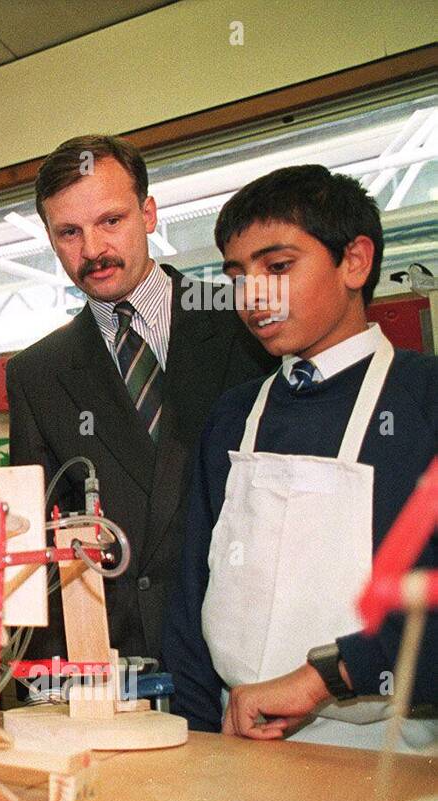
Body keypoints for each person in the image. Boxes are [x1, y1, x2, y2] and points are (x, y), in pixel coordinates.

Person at [163, 164, 437, 749]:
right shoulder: (235, 415)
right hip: (236, 738)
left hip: (390, 753)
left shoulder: (424, 400)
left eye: (278, 267)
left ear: (355, 262)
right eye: (237, 276)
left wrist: (325, 677)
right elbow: (192, 594)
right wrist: (196, 738)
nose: (252, 295)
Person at [5, 135, 273, 669]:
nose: (93, 250)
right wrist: (58, 679)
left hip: (247, 650)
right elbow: (36, 543)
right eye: (69, 233)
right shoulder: (36, 374)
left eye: (111, 221)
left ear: (148, 214)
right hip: (120, 667)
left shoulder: (241, 319)